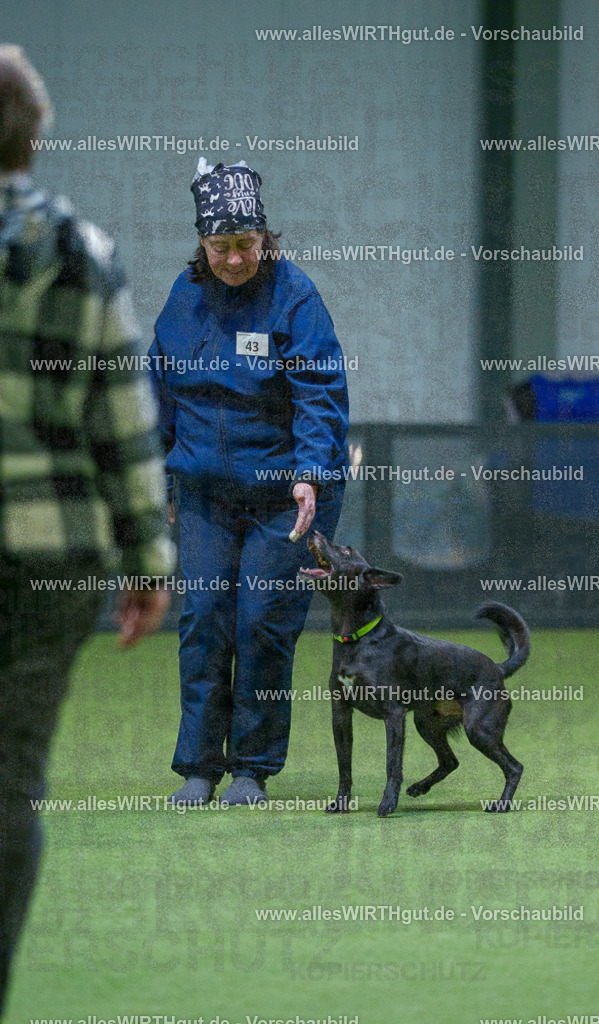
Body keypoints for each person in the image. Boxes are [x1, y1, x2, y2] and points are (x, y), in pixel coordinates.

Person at [0, 46, 174, 1017]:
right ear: (34, 139)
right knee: (11, 784)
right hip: (50, 558)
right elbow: (124, 422)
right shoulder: (83, 252)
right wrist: (149, 561)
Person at [150, 157, 349, 807]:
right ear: (201, 244)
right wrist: (161, 477)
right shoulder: (182, 301)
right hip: (206, 492)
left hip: (286, 495)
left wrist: (310, 474)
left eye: (245, 244)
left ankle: (251, 769)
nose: (234, 259)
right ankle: (199, 766)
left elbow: (319, 394)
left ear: (265, 237)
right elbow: (161, 394)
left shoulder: (295, 297)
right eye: (220, 246)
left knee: (261, 621)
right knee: (205, 618)